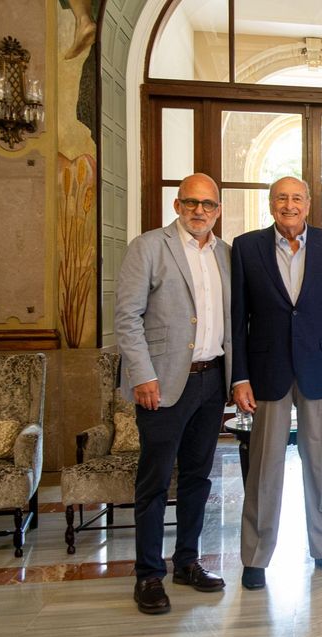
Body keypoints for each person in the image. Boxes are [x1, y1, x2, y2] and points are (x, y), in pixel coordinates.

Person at [231, 176, 322, 590]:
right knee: (263, 468)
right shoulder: (246, 246)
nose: (289, 205)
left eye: (297, 198)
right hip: (267, 370)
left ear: (309, 204)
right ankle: (255, 557)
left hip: (320, 368)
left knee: (320, 465)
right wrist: (240, 376)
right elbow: (237, 317)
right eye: (281, 198)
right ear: (271, 205)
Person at [116, 173, 231, 614]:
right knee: (155, 481)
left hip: (211, 381)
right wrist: (142, 375)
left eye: (208, 204)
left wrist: (236, 378)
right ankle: (148, 573)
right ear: (176, 205)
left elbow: (232, 321)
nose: (199, 211)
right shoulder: (148, 247)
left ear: (217, 210)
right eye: (190, 203)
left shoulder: (226, 255)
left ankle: (187, 561)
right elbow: (127, 317)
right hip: (161, 384)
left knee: (200, 478)